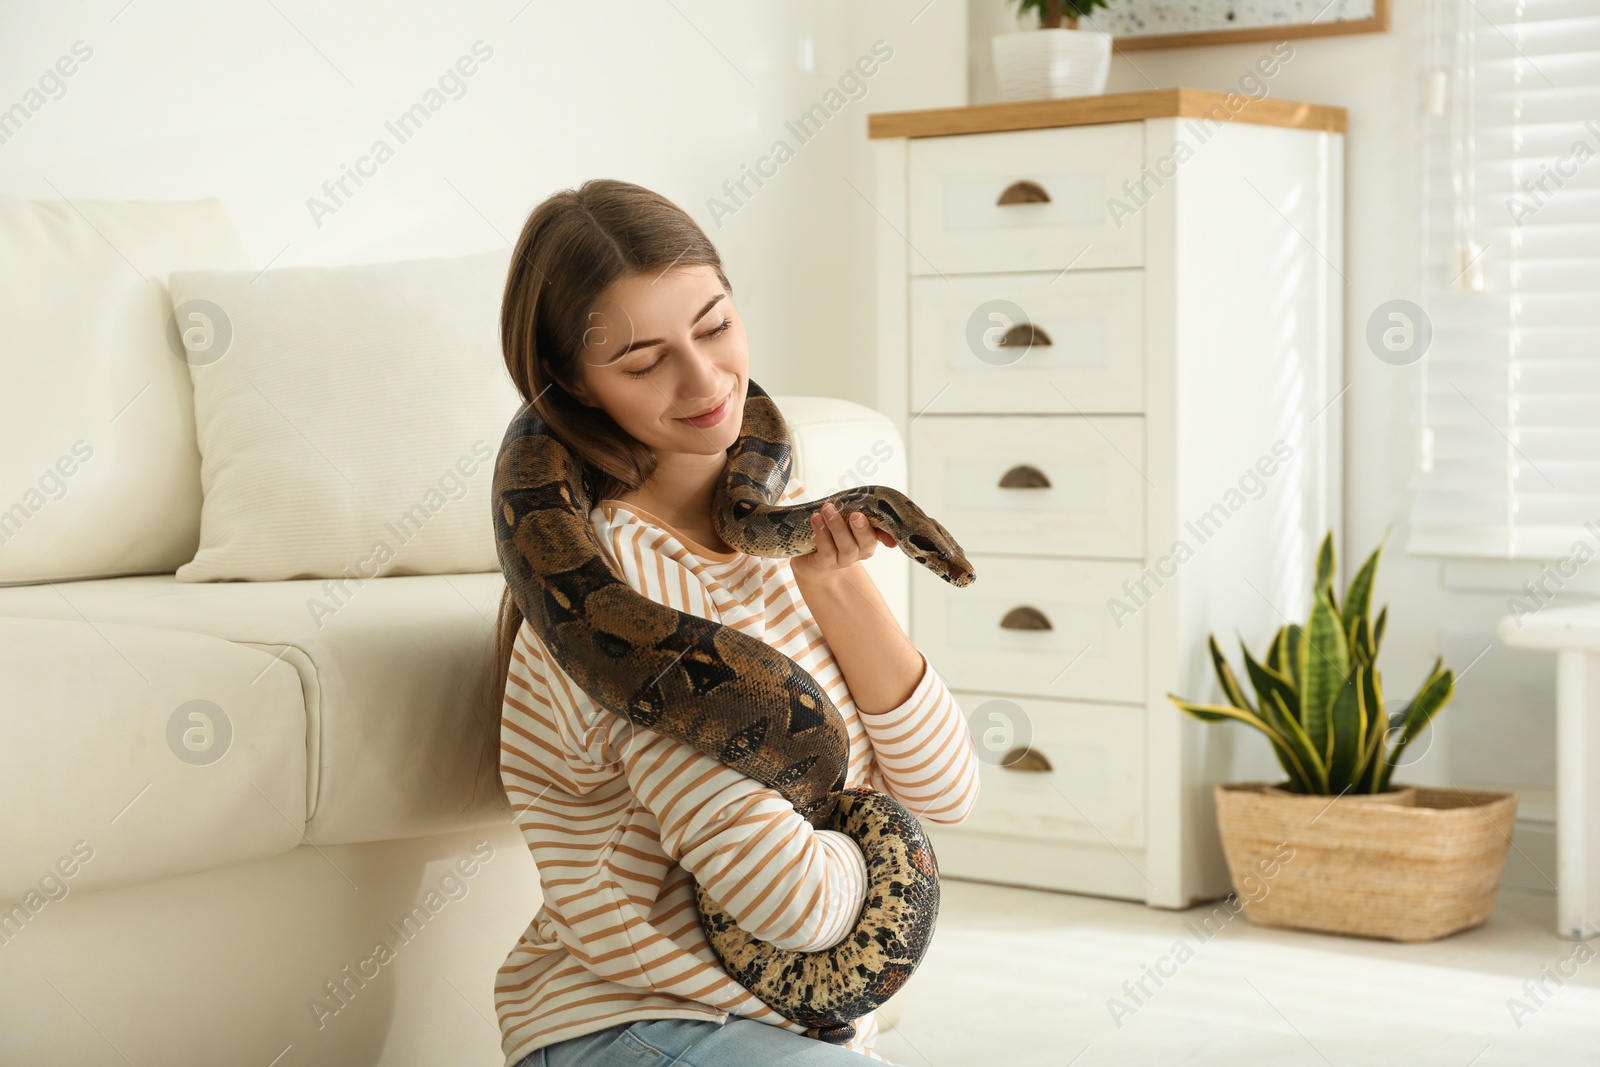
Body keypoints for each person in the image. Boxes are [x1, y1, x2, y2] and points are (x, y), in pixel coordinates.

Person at [486, 178, 979, 1067]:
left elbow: (947, 790)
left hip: (787, 1034)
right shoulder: (619, 603)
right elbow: (794, 907)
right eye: (643, 361)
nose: (707, 379)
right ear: (571, 386)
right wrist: (876, 843)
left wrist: (840, 589)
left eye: (714, 326)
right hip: (626, 1024)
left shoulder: (783, 533)